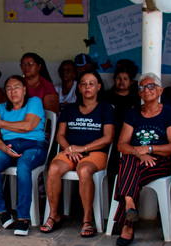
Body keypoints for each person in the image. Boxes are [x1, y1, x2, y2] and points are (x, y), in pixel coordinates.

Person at [40, 71, 115, 237]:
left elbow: (108, 137)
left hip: (95, 152)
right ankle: (54, 215)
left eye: (92, 83)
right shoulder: (70, 108)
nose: (87, 87)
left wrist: (84, 148)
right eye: (84, 84)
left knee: (84, 170)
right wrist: (71, 149)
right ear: (79, 87)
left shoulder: (105, 108)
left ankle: (87, 219)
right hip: (71, 150)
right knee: (53, 168)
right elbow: (60, 135)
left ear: (99, 87)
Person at [112, 74, 171, 246]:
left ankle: (127, 220)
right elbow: (121, 145)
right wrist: (140, 153)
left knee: (127, 168)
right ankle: (129, 207)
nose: (146, 90)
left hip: (161, 162)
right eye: (142, 88)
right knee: (129, 161)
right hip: (135, 159)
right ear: (139, 93)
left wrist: (150, 149)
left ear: (160, 90)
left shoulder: (170, 114)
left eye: (151, 86)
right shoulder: (133, 113)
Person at [0, 76, 48, 236]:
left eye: (17, 87)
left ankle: (23, 218)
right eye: (9, 88)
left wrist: (1, 124)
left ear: (25, 89)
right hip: (9, 146)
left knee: (23, 166)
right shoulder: (0, 108)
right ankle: (2, 211)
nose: (13, 91)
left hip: (34, 146)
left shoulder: (34, 102)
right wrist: (4, 149)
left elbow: (28, 126)